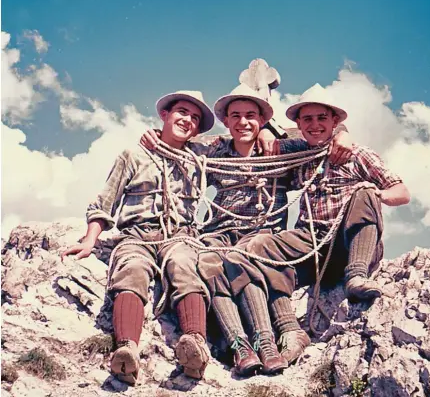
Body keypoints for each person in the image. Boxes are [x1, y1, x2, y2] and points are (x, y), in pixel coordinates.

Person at [139, 84, 354, 375]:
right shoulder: (214, 151)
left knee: (245, 260)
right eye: (236, 115)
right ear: (226, 121)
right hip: (221, 232)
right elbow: (178, 144)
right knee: (207, 263)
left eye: (251, 116)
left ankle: (265, 342)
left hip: (262, 232)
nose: (243, 122)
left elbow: (321, 139)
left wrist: (344, 133)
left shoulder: (281, 148)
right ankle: (240, 344)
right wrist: (153, 134)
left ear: (263, 120)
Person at [223, 85, 410, 336]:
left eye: (322, 118)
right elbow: (264, 139)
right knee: (257, 248)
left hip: (349, 242)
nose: (315, 125)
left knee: (364, 192)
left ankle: (356, 276)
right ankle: (289, 330)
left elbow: (402, 192)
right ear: (299, 124)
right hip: (311, 243)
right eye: (307, 119)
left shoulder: (357, 153)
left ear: (335, 121)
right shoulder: (299, 153)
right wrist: (266, 131)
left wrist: (377, 195)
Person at [62, 91, 217, 384]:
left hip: (179, 235)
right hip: (137, 234)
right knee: (131, 268)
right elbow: (105, 202)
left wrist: (265, 137)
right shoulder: (133, 154)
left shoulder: (200, 159)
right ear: (165, 115)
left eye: (195, 118)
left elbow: (238, 141)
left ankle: (194, 343)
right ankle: (126, 350)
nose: (188, 120)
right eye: (182, 112)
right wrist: (89, 240)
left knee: (185, 264)